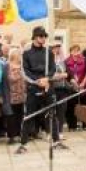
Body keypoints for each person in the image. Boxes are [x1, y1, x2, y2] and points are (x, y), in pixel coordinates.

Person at [18, 26, 57, 154]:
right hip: (33, 87)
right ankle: (23, 143)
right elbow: (25, 71)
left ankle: (56, 140)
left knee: (51, 113)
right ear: (35, 37)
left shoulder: (48, 52)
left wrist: (47, 79)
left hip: (47, 86)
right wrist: (37, 81)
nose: (43, 38)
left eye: (45, 36)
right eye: (41, 36)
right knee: (29, 115)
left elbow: (53, 68)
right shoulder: (27, 54)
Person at [2, 48, 27, 144]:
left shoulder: (22, 66)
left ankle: (19, 134)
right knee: (10, 116)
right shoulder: (6, 66)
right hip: (10, 94)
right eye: (18, 55)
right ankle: (11, 136)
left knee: (20, 115)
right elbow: (4, 81)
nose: (20, 56)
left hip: (21, 95)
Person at [65, 44, 86, 130]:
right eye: (74, 51)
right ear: (70, 52)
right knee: (71, 105)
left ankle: (85, 124)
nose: (76, 53)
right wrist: (73, 82)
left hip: (83, 85)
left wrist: (83, 83)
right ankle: (72, 125)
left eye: (77, 51)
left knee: (83, 104)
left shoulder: (84, 60)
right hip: (71, 86)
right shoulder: (66, 61)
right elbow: (66, 74)